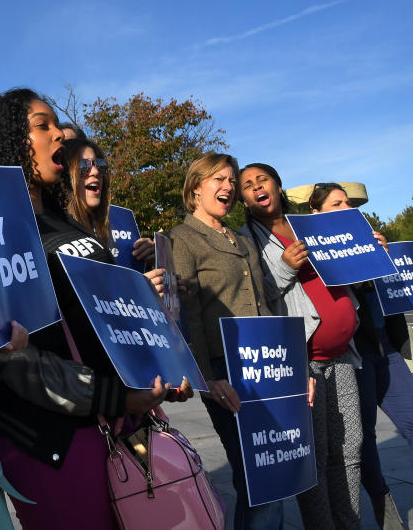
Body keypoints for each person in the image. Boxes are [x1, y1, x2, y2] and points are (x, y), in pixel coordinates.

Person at [0, 88, 191, 529]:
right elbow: (7, 361)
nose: (59, 137)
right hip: (52, 442)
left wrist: (160, 368)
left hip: (118, 420)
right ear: (11, 140)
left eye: (58, 125)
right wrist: (116, 396)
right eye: (42, 125)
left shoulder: (62, 219)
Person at [236, 166, 362, 529]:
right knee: (317, 455)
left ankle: (349, 522)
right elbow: (255, 297)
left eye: (262, 180)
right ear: (244, 199)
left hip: (342, 355)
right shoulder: (247, 240)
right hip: (303, 361)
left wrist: (372, 252)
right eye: (247, 185)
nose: (257, 187)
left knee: (350, 449)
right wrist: (285, 268)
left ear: (277, 185)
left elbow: (352, 269)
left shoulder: (310, 225)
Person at [169, 153, 284, 530]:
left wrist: (292, 369)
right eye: (219, 179)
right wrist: (206, 378)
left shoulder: (240, 239)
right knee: (255, 480)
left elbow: (264, 304)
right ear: (196, 188)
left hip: (266, 365)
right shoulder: (181, 239)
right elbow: (189, 316)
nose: (229, 187)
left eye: (231, 180)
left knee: (278, 470)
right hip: (225, 373)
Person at [308, 181, 410, 529]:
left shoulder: (368, 238)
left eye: (348, 202)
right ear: (315, 214)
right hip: (358, 352)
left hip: (389, 348)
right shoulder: (316, 250)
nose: (346, 207)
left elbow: (395, 295)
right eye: (336, 204)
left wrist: (384, 257)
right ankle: (387, 513)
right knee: (362, 439)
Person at [59, 137, 155, 268]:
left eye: (99, 165)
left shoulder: (113, 225)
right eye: (83, 166)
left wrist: (146, 263)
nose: (96, 172)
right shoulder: (53, 235)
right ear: (66, 176)